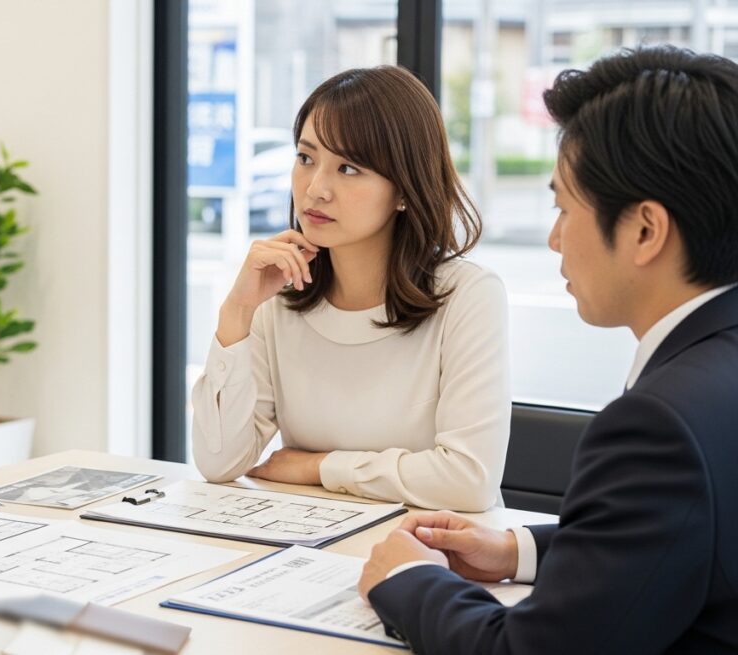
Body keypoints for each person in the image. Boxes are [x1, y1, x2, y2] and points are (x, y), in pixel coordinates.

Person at [359, 45, 738, 653]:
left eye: (564, 207)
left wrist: (409, 579)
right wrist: (517, 548)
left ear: (645, 230)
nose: (555, 238)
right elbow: (687, 532)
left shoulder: (660, 427)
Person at [191, 66, 510, 511]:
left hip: (429, 555)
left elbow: (468, 480)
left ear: (404, 189)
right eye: (305, 158)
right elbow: (218, 461)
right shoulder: (278, 296)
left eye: (348, 167)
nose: (316, 189)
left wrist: (318, 467)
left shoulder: (467, 295)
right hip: (311, 545)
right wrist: (238, 311)